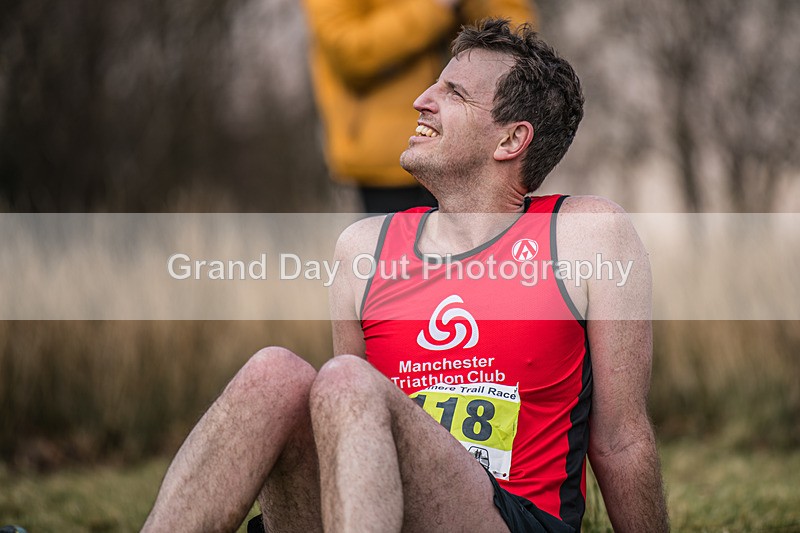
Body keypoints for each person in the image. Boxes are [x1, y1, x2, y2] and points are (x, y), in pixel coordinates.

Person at [143, 19, 669, 533]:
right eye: (433, 83)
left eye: (454, 93)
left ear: (511, 139)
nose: (421, 99)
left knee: (348, 380)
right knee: (273, 372)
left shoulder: (586, 234)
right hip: (373, 508)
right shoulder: (364, 248)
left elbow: (621, 440)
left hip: (509, 517)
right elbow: (339, 429)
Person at [301, 0, 535, 213]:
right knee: (399, 257)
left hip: (473, 151)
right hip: (388, 162)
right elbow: (350, 52)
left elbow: (517, 37)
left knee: (482, 255)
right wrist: (434, 7)